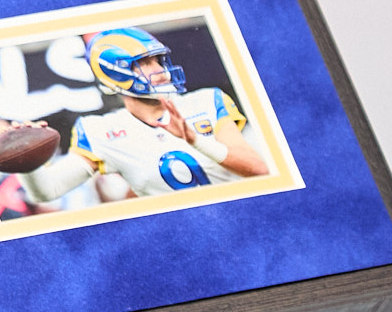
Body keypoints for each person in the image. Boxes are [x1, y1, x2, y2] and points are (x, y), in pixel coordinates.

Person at [19, 28, 269, 203]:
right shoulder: (99, 131)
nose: (161, 71)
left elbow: (258, 169)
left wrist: (196, 141)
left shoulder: (207, 100)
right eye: (145, 63)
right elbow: (48, 191)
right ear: (116, 73)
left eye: (159, 61)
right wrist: (25, 159)